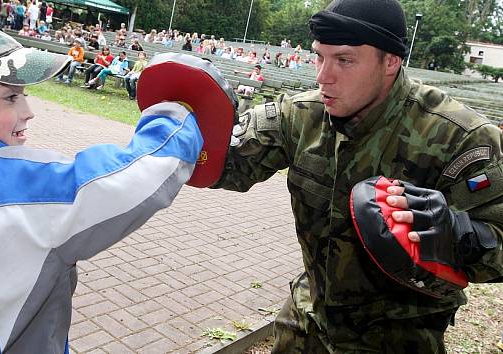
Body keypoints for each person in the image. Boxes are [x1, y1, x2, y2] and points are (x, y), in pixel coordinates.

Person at [0, 21, 205, 353]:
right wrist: (182, 114)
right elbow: (134, 174)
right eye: (10, 97)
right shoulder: (7, 192)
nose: (28, 111)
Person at [212, 0, 502, 352]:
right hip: (307, 323)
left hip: (398, 337)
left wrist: (458, 233)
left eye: (344, 60)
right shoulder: (301, 115)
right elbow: (226, 165)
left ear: (390, 62)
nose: (323, 76)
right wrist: (184, 131)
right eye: (320, 57)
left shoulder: (460, 137)